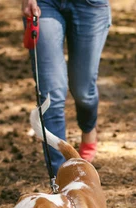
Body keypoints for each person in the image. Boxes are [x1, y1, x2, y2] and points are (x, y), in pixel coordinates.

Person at [22, 0, 111, 174]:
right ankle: (61, 179)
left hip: (90, 5)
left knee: (83, 91)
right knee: (50, 96)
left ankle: (88, 130)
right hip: (44, 4)